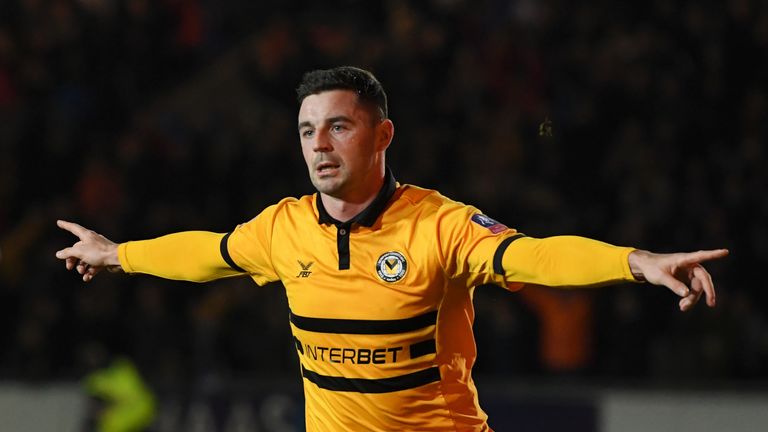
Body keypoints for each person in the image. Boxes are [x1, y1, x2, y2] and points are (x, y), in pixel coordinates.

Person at [56, 66, 728, 431]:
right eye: (307, 130)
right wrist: (120, 254)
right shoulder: (282, 228)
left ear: (382, 137)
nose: (319, 145)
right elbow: (211, 252)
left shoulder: (440, 225)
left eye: (338, 126)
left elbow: (537, 256)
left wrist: (636, 262)